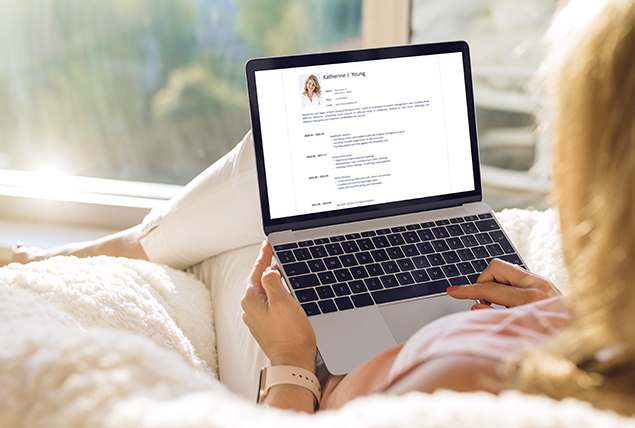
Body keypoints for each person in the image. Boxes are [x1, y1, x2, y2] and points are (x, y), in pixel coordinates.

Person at [11, 0, 635, 416]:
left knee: (254, 215)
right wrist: (567, 316)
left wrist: (290, 361)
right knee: (279, 191)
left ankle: (117, 250)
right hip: (503, 316)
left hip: (315, 374)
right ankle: (127, 246)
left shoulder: (461, 388)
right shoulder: (589, 338)